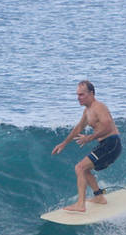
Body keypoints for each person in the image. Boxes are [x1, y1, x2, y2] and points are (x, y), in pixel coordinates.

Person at [51, 80, 122, 212]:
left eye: (81, 95)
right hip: (106, 144)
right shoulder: (87, 111)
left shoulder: (99, 107)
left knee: (80, 167)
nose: (78, 98)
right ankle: (99, 197)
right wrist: (64, 143)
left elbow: (108, 127)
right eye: (77, 95)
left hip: (112, 143)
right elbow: (78, 128)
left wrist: (89, 138)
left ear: (91, 93)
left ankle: (80, 205)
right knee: (84, 169)